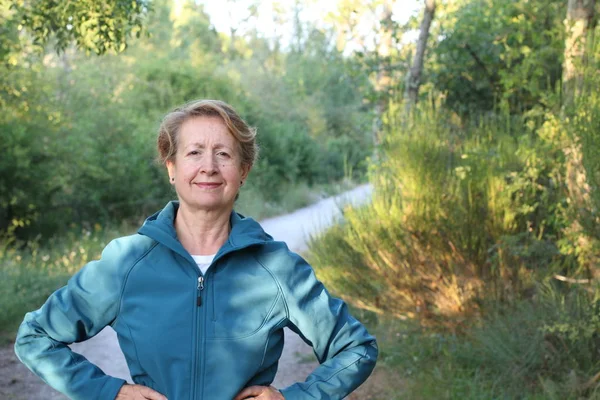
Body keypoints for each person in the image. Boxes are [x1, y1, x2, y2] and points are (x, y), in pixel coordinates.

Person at [14, 99, 378, 400]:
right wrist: (111, 392)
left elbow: (356, 348)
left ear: (243, 170)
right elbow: (35, 338)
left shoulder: (277, 268)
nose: (208, 167)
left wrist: (295, 398)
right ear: (171, 167)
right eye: (194, 152)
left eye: (223, 154)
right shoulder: (126, 263)